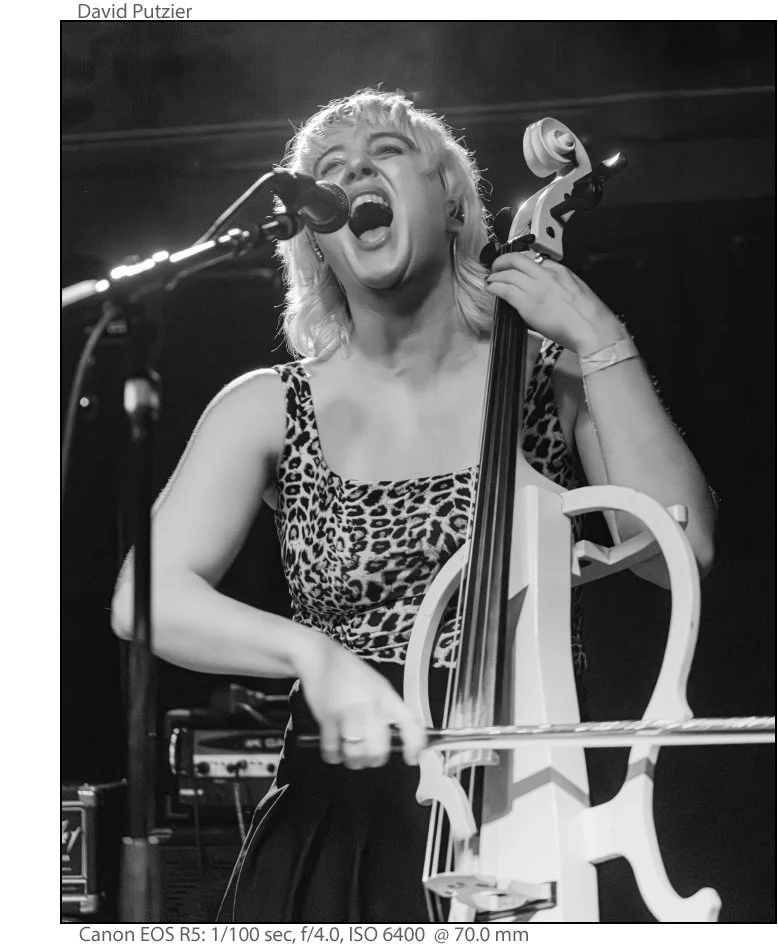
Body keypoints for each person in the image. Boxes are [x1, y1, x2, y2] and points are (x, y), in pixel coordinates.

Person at [111, 89, 717, 922]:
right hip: (336, 822)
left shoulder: (549, 374)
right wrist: (314, 656)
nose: (354, 172)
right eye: (329, 169)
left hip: (524, 802)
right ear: (314, 233)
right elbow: (144, 599)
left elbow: (682, 547)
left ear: (453, 202)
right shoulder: (269, 404)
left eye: (386, 152)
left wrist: (599, 339)